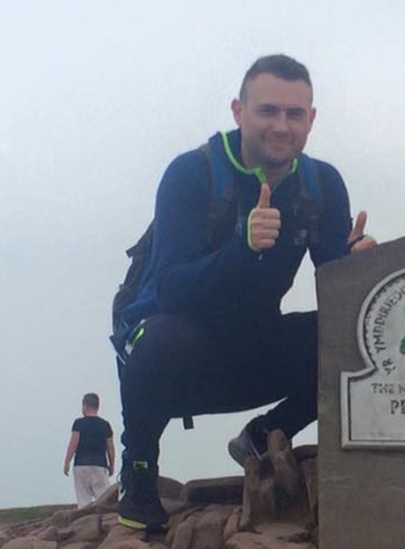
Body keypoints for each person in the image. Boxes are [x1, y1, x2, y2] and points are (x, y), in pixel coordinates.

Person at [113, 54, 375, 531]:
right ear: (238, 111)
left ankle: (263, 435)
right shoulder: (192, 174)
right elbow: (171, 291)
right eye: (267, 111)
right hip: (175, 357)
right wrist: (243, 247)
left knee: (356, 336)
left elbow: (334, 282)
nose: (282, 125)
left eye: (295, 114)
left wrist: (359, 265)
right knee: (164, 336)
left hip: (254, 347)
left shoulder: (322, 185)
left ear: (311, 119)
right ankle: (140, 469)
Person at [63, 393, 115, 508]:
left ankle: (84, 521)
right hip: (100, 465)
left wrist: (67, 462)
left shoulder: (78, 423)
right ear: (98, 406)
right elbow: (110, 447)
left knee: (83, 500)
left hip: (81, 465)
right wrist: (112, 465)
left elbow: (73, 444)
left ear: (85, 406)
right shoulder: (105, 425)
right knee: (103, 499)